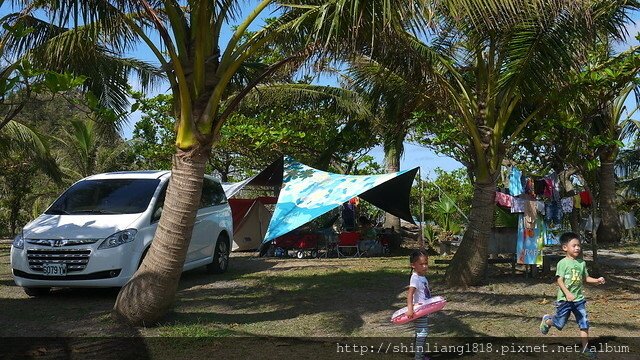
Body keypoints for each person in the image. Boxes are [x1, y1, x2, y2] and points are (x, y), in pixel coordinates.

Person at [539, 232, 605, 359]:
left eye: (578, 246)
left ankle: (585, 350)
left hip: (579, 300)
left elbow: (586, 278)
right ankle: (547, 320)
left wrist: (597, 280)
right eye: (574, 245)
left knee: (584, 323)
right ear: (565, 248)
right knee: (559, 324)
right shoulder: (562, 263)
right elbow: (559, 280)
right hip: (564, 300)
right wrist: (568, 293)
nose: (577, 248)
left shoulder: (581, 263)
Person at [406, 249, 431, 360]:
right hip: (419, 310)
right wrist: (410, 309)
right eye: (421, 264)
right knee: (423, 332)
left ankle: (419, 354)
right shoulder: (415, 278)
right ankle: (418, 357)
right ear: (413, 265)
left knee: (420, 332)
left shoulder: (422, 277)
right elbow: (410, 294)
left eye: (426, 263)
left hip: (424, 309)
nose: (424, 266)